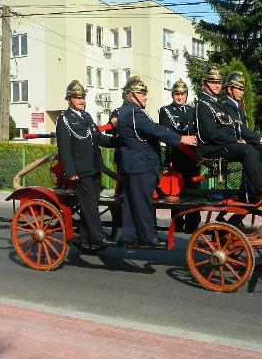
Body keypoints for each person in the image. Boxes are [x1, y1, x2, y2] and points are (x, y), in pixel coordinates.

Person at [117, 76, 197, 248]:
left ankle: (128, 236)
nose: (146, 97)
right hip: (141, 166)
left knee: (130, 203)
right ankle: (148, 237)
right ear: (131, 95)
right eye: (142, 94)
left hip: (134, 165)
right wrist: (181, 138)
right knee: (143, 204)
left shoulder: (126, 111)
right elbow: (155, 129)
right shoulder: (134, 113)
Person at [194, 65, 262, 203]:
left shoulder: (218, 105)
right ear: (204, 83)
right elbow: (210, 133)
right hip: (211, 147)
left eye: (219, 82)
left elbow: (232, 127)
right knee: (247, 150)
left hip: (224, 144)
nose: (217, 85)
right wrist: (234, 140)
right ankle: (260, 190)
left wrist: (241, 138)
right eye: (213, 82)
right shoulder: (203, 105)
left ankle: (260, 188)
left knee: (259, 148)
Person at [56, 80, 115, 249]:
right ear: (69, 99)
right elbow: (64, 148)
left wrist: (119, 142)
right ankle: (97, 237)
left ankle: (85, 234)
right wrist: (70, 172)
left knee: (91, 203)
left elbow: (99, 138)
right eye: (77, 98)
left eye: (82, 97)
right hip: (81, 171)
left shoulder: (87, 116)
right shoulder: (64, 119)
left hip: (95, 167)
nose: (81, 101)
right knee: (89, 204)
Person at [222, 71, 262, 187]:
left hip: (243, 140)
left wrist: (259, 139)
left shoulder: (238, 106)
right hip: (232, 143)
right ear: (230, 89)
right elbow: (238, 128)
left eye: (243, 89)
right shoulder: (225, 105)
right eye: (240, 89)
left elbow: (243, 128)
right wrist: (261, 138)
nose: (242, 92)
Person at [158, 78, 201, 233]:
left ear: (186, 95)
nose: (180, 97)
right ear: (173, 95)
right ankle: (177, 222)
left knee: (193, 191)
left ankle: (192, 223)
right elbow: (167, 134)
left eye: (182, 94)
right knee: (176, 191)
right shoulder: (166, 111)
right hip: (175, 155)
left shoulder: (192, 111)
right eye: (177, 94)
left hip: (192, 156)